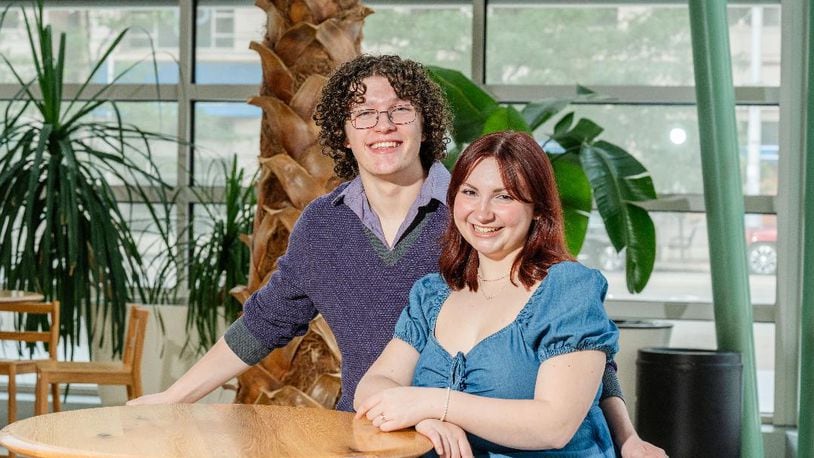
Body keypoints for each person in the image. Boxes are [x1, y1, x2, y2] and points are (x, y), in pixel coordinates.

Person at [128, 54, 664, 457]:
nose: (382, 125)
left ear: (425, 124)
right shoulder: (322, 225)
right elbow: (264, 323)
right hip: (379, 430)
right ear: (343, 132)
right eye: (363, 114)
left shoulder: (475, 211)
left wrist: (628, 437)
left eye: (399, 110)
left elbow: (574, 344)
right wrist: (176, 396)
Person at [355, 131, 618, 456]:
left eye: (504, 196)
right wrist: (422, 421)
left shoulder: (567, 289)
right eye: (470, 192)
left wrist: (432, 404)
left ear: (537, 207)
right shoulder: (432, 293)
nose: (482, 213)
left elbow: (554, 426)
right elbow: (373, 386)